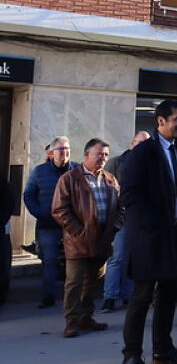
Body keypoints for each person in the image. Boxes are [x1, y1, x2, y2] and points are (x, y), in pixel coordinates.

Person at [120, 99, 177, 364]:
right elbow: (130, 195)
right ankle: (132, 355)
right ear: (160, 121)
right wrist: (154, 222)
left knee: (169, 296)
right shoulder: (143, 153)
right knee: (142, 297)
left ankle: (162, 350)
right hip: (150, 238)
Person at [51, 138, 121, 338]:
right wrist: (78, 232)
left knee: (92, 281)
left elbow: (121, 207)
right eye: (99, 154)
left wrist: (115, 227)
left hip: (103, 239)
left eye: (106, 154)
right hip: (78, 241)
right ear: (86, 155)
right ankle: (72, 321)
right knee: (74, 282)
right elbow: (59, 210)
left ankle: (86, 317)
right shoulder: (69, 179)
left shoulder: (110, 179)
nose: (103, 158)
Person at [23, 136, 77, 309]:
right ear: (52, 153)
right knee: (50, 260)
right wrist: (40, 213)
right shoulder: (40, 171)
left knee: (75, 260)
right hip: (48, 224)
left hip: (72, 224)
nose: (64, 153)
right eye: (61, 150)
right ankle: (48, 297)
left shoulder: (77, 170)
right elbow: (29, 194)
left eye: (67, 149)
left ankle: (74, 298)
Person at [101, 131, 150, 313]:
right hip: (121, 218)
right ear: (132, 143)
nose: (142, 147)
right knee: (117, 258)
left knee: (134, 259)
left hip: (142, 218)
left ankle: (129, 295)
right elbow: (106, 189)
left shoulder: (151, 164)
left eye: (146, 144)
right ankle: (110, 297)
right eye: (139, 143)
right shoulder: (116, 163)